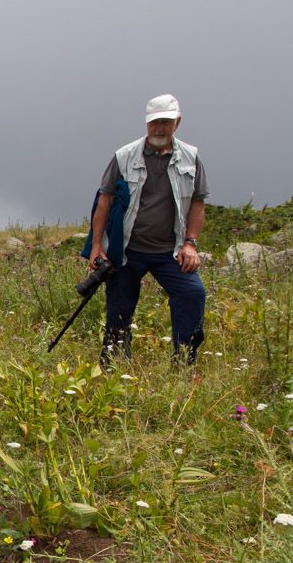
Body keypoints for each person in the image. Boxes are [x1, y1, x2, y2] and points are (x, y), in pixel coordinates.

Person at [87, 94, 209, 367]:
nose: (159, 129)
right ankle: (115, 368)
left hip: (171, 250)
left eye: (165, 122)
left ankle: (184, 363)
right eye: (154, 123)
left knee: (192, 293)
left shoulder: (191, 157)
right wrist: (97, 246)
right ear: (147, 123)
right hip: (127, 249)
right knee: (119, 309)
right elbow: (104, 199)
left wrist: (190, 243)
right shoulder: (124, 156)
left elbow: (198, 203)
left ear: (177, 122)